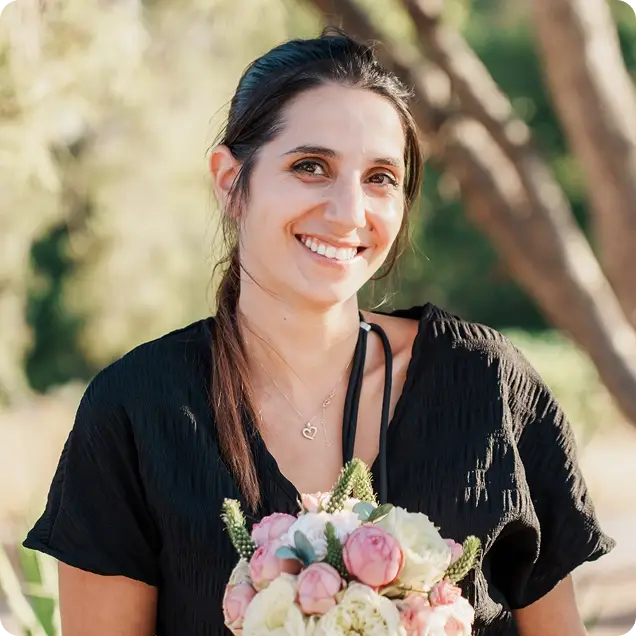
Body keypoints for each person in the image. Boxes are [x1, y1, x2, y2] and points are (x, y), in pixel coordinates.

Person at [24, 28, 614, 636]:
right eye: (311, 167)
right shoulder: (135, 410)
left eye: (380, 177)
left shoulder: (489, 386)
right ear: (229, 181)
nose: (349, 212)